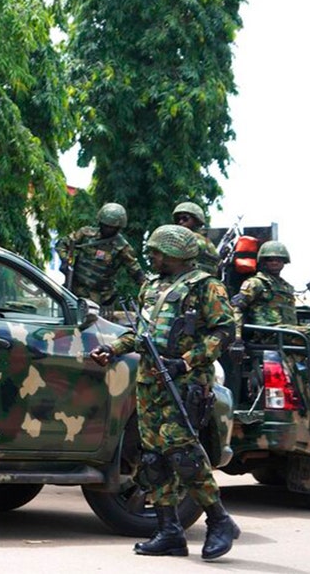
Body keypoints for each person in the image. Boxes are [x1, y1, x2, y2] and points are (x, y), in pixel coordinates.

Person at [89, 224, 240, 561]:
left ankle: (220, 521)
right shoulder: (152, 288)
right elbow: (141, 334)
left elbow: (224, 332)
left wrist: (186, 363)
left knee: (183, 454)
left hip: (184, 384)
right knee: (154, 459)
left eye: (156, 252)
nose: (152, 257)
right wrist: (112, 349)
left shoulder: (206, 287)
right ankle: (169, 531)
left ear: (175, 253)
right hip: (149, 383)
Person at [230, 241, 310, 402]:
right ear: (263, 261)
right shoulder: (255, 283)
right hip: (269, 333)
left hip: (288, 331)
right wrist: (237, 339)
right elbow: (236, 308)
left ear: (284, 262)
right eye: (270, 259)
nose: (275, 262)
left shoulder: (286, 287)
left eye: (279, 259)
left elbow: (288, 314)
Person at [56, 202, 145, 307]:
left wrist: (146, 288)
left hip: (100, 298)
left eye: (112, 227)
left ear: (118, 227)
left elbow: (135, 269)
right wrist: (65, 260)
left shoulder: (121, 247)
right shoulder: (85, 234)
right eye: (106, 226)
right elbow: (62, 244)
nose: (108, 229)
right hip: (74, 290)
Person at [171, 201, 220, 275]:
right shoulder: (206, 241)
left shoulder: (190, 238)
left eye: (185, 218)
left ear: (196, 220)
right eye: (178, 219)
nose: (180, 222)